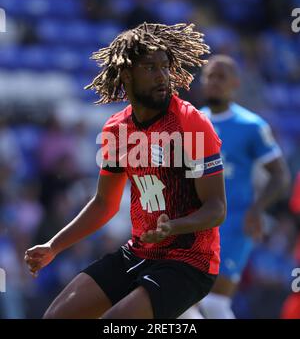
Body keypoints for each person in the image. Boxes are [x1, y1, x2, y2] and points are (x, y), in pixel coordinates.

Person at [24, 23, 227, 319]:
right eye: (151, 68)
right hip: (139, 253)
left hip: (190, 261)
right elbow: (104, 203)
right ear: (127, 74)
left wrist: (175, 226)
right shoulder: (117, 130)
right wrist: (54, 246)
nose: (162, 76)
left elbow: (217, 208)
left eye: (165, 67)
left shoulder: (190, 123)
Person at [180, 55, 290, 319]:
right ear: (202, 82)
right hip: (194, 221)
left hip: (234, 222)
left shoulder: (251, 126)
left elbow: (279, 175)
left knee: (214, 302)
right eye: (210, 76)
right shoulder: (190, 123)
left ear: (235, 84)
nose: (215, 82)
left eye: (222, 77)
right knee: (183, 303)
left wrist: (257, 209)